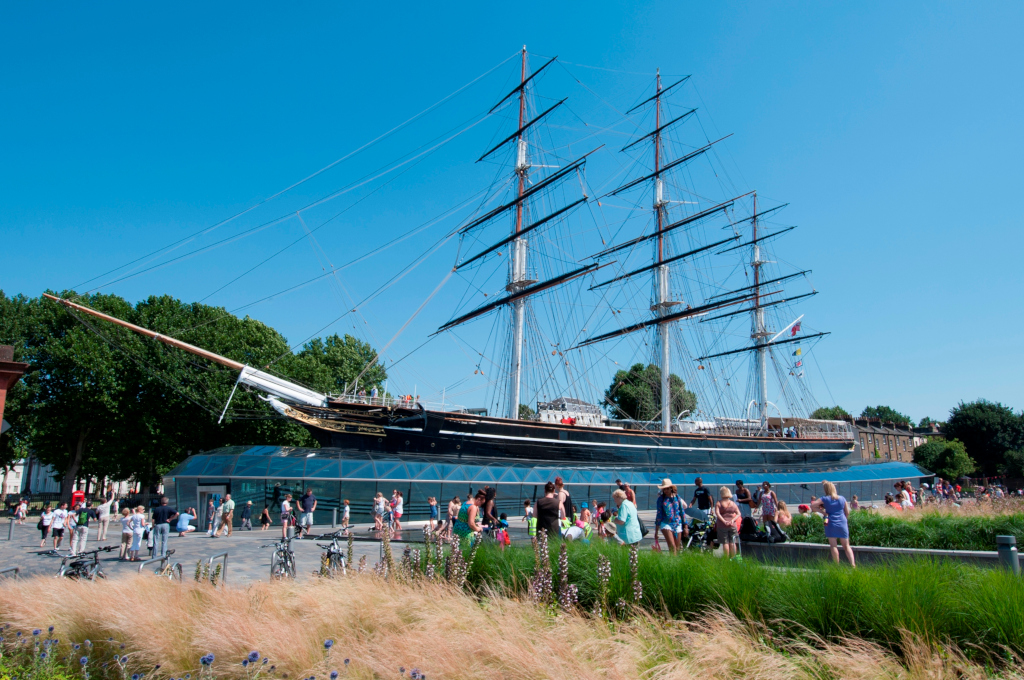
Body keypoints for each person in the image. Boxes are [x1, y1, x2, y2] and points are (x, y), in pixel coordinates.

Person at [812, 481, 855, 567]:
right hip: (842, 522)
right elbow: (847, 512)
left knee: (833, 546)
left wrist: (823, 513)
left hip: (830, 521)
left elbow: (813, 506)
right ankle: (853, 565)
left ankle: (836, 565)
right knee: (846, 546)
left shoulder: (824, 499)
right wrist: (843, 519)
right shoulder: (842, 498)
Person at [655, 479, 684, 554]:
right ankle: (673, 563)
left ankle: (676, 562)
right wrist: (656, 530)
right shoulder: (661, 499)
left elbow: (681, 511)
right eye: (664, 489)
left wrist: (686, 526)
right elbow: (659, 514)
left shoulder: (677, 497)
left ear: (671, 488)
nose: (666, 491)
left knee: (677, 547)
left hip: (677, 523)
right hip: (666, 523)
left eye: (667, 488)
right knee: (672, 546)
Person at [715, 487, 742, 559]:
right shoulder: (733, 503)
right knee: (733, 541)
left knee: (725, 542)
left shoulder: (719, 503)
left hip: (722, 525)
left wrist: (724, 521)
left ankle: (726, 559)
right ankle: (733, 557)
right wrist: (733, 520)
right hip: (732, 525)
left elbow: (717, 514)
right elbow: (739, 513)